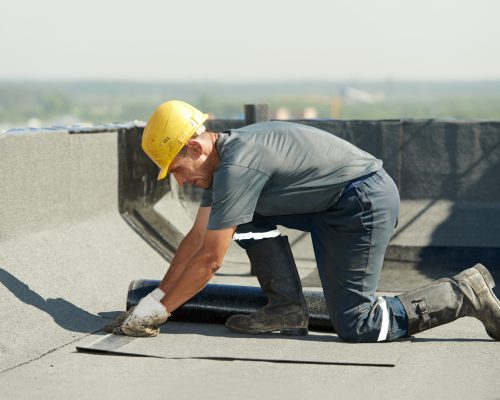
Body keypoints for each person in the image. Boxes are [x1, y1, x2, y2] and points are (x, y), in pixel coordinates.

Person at [110, 100, 500, 342]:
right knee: (240, 217)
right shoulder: (221, 167)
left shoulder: (237, 166)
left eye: (178, 169)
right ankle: (286, 308)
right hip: (333, 205)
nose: (180, 181)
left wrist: (159, 313)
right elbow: (196, 242)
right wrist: (155, 297)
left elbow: (210, 261)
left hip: (362, 204)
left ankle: (464, 293)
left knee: (358, 325)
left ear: (195, 146)